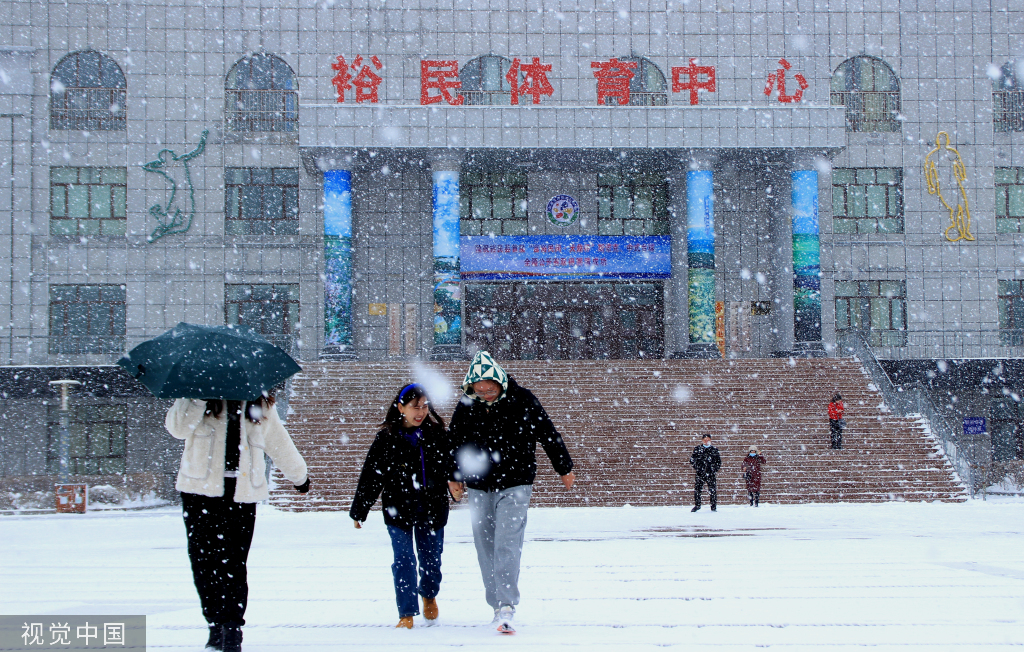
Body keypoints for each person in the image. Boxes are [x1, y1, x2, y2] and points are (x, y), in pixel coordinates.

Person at [166, 393, 309, 652]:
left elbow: (277, 438)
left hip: (242, 494)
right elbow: (177, 429)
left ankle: (232, 629)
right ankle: (215, 624)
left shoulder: (257, 397)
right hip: (200, 492)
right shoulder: (195, 391)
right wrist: (197, 399)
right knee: (203, 561)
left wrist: (298, 474)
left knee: (234, 562)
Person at [448, 350, 575, 634]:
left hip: (516, 482)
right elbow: (454, 441)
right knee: (485, 545)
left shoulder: (523, 399)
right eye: (479, 390)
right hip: (479, 486)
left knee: (507, 541)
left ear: (500, 382)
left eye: (490, 389)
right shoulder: (468, 404)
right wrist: (453, 476)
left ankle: (507, 605)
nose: (485, 394)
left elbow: (547, 432)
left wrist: (564, 466)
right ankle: (495, 604)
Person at [349, 384, 463, 629]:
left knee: (431, 559)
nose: (420, 412)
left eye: (424, 406)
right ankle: (406, 612)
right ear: (400, 408)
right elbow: (371, 475)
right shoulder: (387, 437)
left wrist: (455, 480)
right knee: (403, 559)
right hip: (398, 509)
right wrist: (360, 509)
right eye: (414, 407)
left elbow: (452, 463)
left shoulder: (437, 434)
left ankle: (429, 594)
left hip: (432, 508)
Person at [689, 433, 721, 512]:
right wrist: (698, 468)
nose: (706, 441)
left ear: (711, 440)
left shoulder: (714, 450)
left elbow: (718, 462)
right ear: (702, 440)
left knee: (712, 490)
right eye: (705, 440)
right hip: (700, 473)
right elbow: (692, 460)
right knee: (698, 490)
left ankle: (713, 506)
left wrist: (713, 469)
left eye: (708, 440)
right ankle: (697, 505)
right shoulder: (697, 449)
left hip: (711, 474)